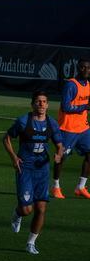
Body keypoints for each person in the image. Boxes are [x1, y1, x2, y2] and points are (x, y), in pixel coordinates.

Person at [3, 91, 64, 255]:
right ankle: (17, 213)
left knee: (41, 208)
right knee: (26, 210)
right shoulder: (23, 121)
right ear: (32, 104)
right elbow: (6, 138)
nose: (41, 104)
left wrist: (58, 155)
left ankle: (31, 243)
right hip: (26, 169)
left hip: (42, 170)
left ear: (48, 104)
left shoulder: (52, 124)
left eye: (44, 102)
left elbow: (60, 145)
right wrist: (14, 157)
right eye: (38, 101)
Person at [51, 58, 90, 199]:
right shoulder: (71, 85)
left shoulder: (88, 85)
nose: (86, 70)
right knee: (61, 157)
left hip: (83, 128)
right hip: (68, 128)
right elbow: (66, 107)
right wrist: (84, 107)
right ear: (78, 68)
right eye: (83, 67)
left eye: (88, 68)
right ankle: (55, 186)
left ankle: (80, 187)